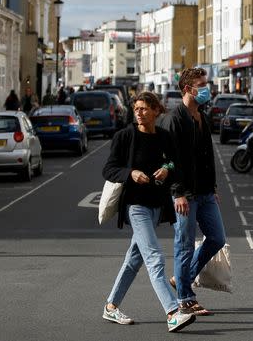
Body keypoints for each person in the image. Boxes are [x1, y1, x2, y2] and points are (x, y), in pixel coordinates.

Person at [102, 92, 196, 333]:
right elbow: (109, 169)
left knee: (134, 260)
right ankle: (173, 312)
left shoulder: (164, 137)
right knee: (154, 257)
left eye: (144, 108)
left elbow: (175, 163)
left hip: (156, 206)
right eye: (136, 109)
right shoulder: (125, 136)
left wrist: (166, 168)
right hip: (136, 206)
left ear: (156, 110)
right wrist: (131, 173)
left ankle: (111, 306)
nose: (139, 113)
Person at [159, 67, 226, 317]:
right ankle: (185, 299)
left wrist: (214, 187)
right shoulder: (175, 119)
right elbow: (170, 159)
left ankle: (181, 278)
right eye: (202, 84)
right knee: (184, 245)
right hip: (185, 193)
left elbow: (207, 156)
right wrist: (177, 193)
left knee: (217, 238)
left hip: (206, 192)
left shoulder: (201, 115)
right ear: (188, 89)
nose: (207, 88)